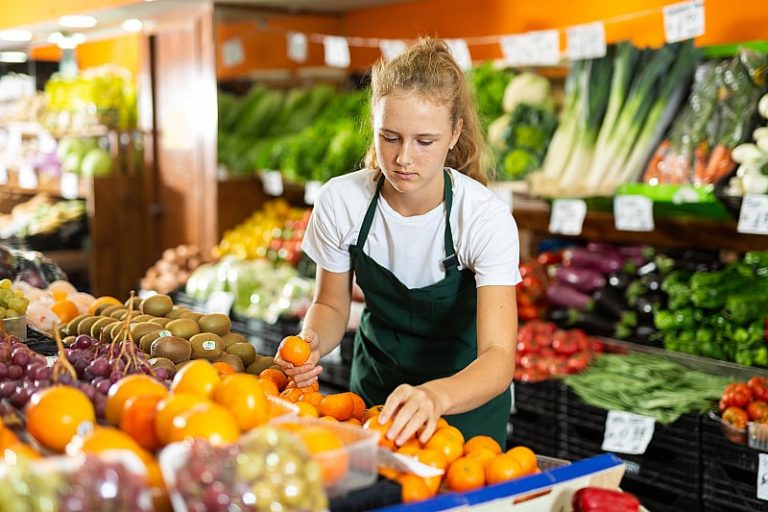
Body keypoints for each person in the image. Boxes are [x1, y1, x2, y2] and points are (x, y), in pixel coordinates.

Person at [275, 37, 520, 448]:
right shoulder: (341, 201)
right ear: (374, 124)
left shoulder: (483, 219)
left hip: (463, 410)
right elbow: (332, 305)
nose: (404, 157)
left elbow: (498, 357)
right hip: (375, 397)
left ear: (454, 132)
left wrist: (434, 396)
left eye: (424, 141)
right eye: (390, 137)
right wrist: (310, 343)